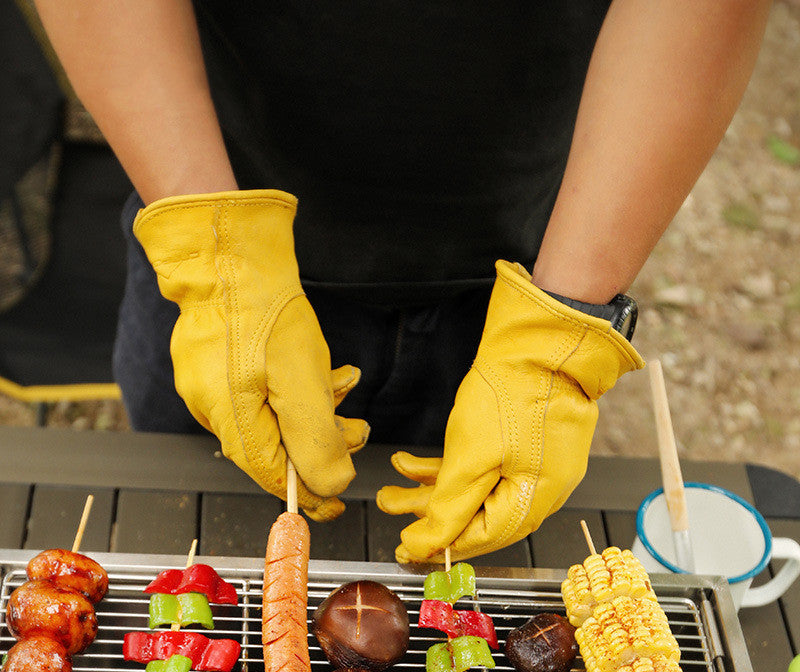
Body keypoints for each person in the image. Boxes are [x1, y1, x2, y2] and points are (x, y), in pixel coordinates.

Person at [31, 1, 771, 562]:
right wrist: (214, 260)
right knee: (193, 548)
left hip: (536, 267)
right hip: (207, 197)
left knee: (479, 562)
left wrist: (560, 331)